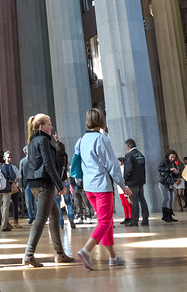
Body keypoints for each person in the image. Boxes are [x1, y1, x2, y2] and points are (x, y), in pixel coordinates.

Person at [74, 108, 130, 271]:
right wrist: (122, 185)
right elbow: (112, 164)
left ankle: (113, 257)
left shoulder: (82, 139)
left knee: (105, 222)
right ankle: (86, 250)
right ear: (101, 120)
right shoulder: (101, 139)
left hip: (89, 186)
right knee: (105, 222)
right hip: (102, 186)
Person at [22, 113, 71, 268]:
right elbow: (49, 165)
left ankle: (60, 253)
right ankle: (28, 255)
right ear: (41, 126)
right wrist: (60, 185)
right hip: (45, 184)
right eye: (49, 124)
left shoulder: (32, 141)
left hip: (35, 184)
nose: (51, 127)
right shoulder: (43, 140)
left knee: (55, 215)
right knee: (41, 219)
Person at [123, 139, 149, 226]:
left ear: (128, 146)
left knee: (134, 201)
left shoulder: (129, 155)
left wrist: (125, 179)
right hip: (140, 180)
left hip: (132, 181)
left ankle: (134, 220)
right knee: (142, 199)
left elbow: (128, 170)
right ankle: (145, 219)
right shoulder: (140, 154)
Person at [157, 150, 182, 222]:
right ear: (168, 156)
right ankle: (165, 215)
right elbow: (159, 169)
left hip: (171, 182)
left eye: (174, 157)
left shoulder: (174, 163)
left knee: (171, 199)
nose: (172, 159)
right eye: (171, 157)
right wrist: (170, 169)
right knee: (167, 198)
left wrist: (177, 173)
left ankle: (170, 215)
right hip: (164, 182)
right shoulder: (163, 161)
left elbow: (174, 173)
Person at [19, 147, 36, 225]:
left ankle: (36, 217)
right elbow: (21, 174)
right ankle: (31, 216)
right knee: (28, 201)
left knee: (35, 201)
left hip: (35, 182)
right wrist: (21, 185)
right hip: (27, 183)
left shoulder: (35, 159)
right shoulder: (22, 161)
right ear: (26, 152)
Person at [5, 151, 22, 229]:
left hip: (14, 187)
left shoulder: (13, 167)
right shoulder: (3, 167)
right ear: (4, 158)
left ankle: (15, 222)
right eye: (7, 157)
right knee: (6, 206)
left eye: (10, 157)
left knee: (15, 205)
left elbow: (18, 175)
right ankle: (6, 222)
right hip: (6, 188)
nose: (9, 159)